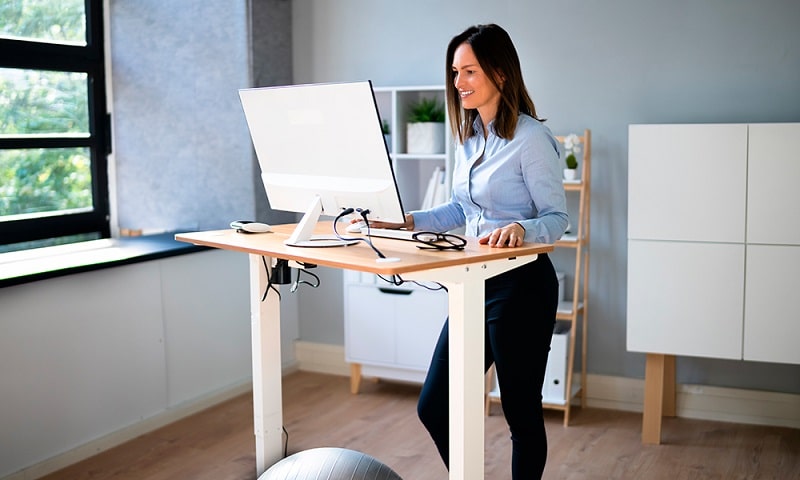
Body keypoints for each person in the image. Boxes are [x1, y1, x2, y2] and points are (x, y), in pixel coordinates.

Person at [368, 23, 568, 478]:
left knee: (520, 414)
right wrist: (410, 220)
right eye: (455, 72)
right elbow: (461, 207)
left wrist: (521, 227)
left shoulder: (532, 139)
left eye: (470, 71)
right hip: (473, 286)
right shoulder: (470, 137)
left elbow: (557, 220)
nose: (458, 82)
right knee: (434, 405)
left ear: (499, 72)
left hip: (522, 287)